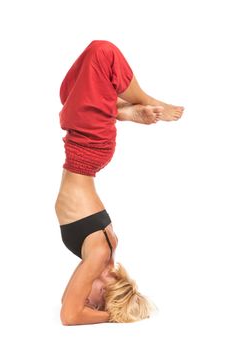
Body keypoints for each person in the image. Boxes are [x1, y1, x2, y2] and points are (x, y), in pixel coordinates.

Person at [54, 40, 184, 326]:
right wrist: (111, 316)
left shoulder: (101, 255)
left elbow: (67, 303)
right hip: (89, 147)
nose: (84, 299)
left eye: (87, 302)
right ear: (107, 292)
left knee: (69, 91)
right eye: (93, 300)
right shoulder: (101, 254)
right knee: (103, 53)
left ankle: (120, 111)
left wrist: (104, 311)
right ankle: (146, 101)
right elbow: (70, 315)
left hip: (82, 142)